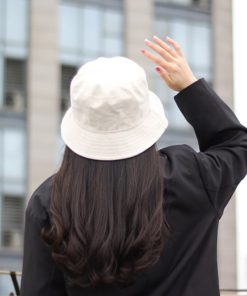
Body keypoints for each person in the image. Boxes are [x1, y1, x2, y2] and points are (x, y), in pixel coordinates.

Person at [20, 36, 247, 296]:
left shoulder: (49, 202)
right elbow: (236, 143)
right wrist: (190, 87)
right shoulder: (191, 177)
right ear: (145, 119)